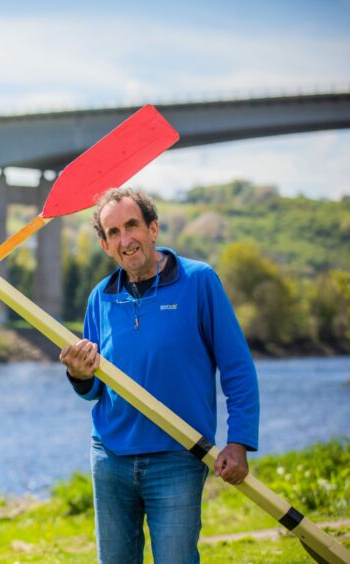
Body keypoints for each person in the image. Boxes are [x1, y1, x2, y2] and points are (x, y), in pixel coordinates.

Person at [59, 188, 259, 564]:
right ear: (105, 245)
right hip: (110, 457)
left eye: (132, 226)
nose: (126, 240)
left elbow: (237, 368)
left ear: (153, 229)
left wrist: (240, 441)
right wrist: (79, 375)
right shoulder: (99, 298)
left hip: (179, 455)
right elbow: (93, 390)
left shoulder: (199, 281)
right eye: (113, 232)